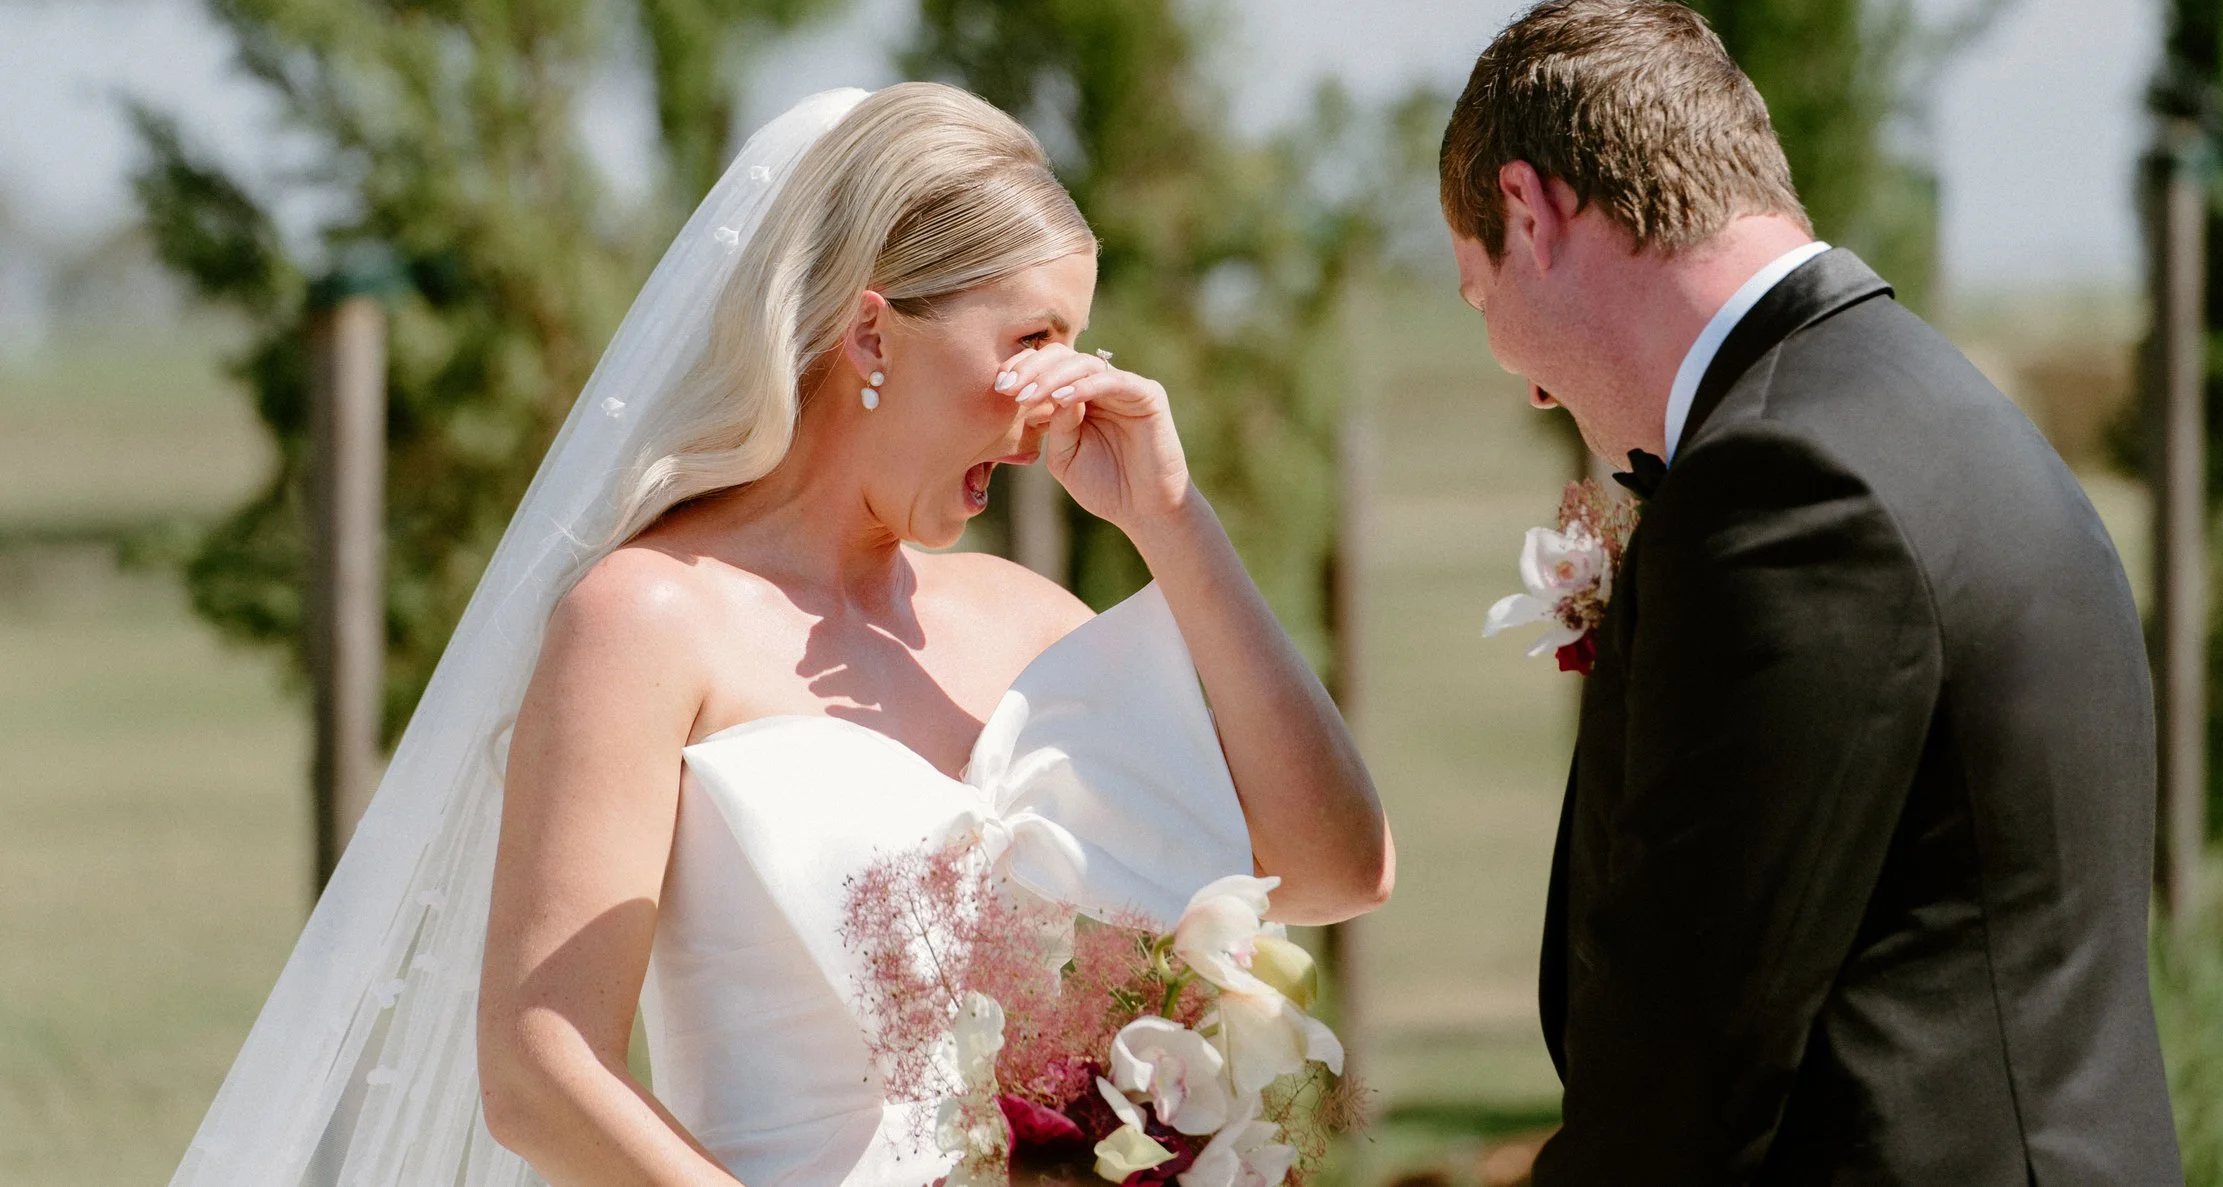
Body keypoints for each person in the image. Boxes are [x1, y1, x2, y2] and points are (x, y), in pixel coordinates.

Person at [170, 84, 1390, 1187]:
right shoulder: (648, 617)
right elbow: (539, 1066)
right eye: (1031, 341)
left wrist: (1172, 520)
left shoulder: (1031, 620)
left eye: (1076, 344)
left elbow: (1338, 866)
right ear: (871, 336)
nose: (1051, 405)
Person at [1439, 0, 2181, 1185]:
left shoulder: (1789, 482)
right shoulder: (1922, 406)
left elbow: (1688, 1071)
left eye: (1481, 298)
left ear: (1528, 209)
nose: (1524, 382)